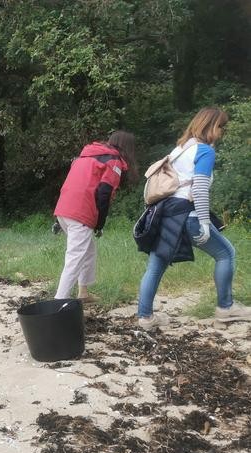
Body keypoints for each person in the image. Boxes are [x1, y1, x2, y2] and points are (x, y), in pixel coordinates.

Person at [136, 107, 250, 330]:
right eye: (221, 126)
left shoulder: (180, 149)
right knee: (226, 254)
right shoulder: (205, 151)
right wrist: (205, 222)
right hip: (188, 215)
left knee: (156, 265)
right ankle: (226, 308)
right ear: (210, 126)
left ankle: (145, 317)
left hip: (166, 214)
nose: (222, 132)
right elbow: (198, 188)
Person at [53, 131, 136, 302]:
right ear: (127, 147)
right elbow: (104, 193)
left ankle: (83, 293)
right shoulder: (114, 161)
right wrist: (100, 223)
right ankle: (59, 301)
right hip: (81, 212)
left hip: (63, 209)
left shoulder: (84, 157)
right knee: (75, 257)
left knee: (88, 251)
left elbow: (71, 185)